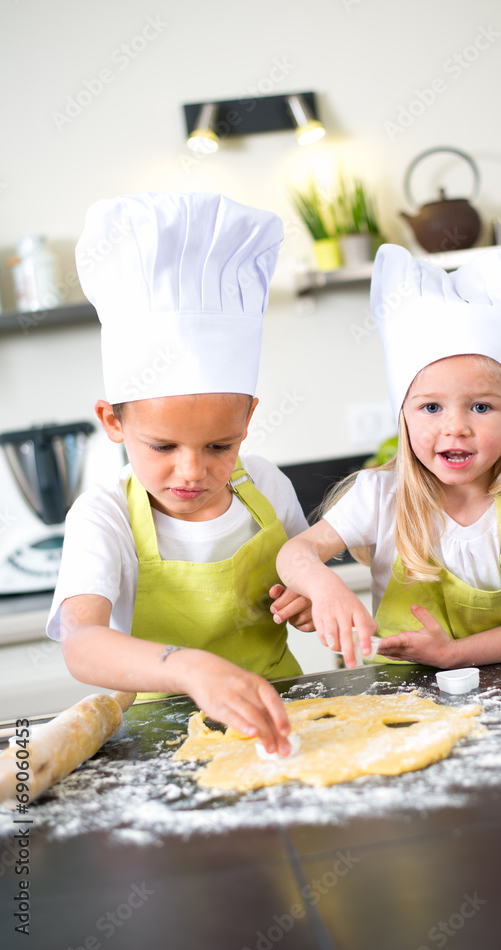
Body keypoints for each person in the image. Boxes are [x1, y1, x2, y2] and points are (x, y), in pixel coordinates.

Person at [47, 192, 312, 755]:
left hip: (285, 711)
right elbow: (82, 641)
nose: (192, 471)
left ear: (249, 419)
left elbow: (302, 570)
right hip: (158, 738)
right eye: (162, 445)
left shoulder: (266, 485)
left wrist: (306, 597)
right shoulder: (105, 513)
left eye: (220, 444)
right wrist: (186, 667)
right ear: (112, 422)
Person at [273, 243, 501, 670]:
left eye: (480, 407)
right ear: (403, 417)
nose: (455, 427)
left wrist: (454, 655)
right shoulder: (380, 497)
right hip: (402, 701)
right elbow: (295, 553)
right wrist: (325, 587)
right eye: (431, 407)